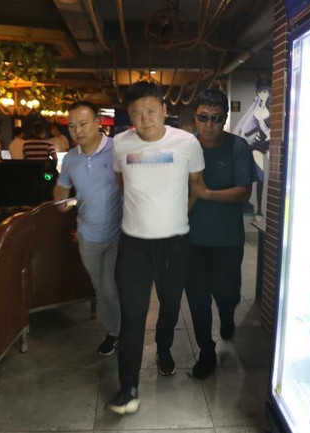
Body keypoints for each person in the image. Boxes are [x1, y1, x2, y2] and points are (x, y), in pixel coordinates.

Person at [106, 81, 205, 415]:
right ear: (129, 116)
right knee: (132, 315)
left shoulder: (187, 143)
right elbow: (122, 183)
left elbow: (196, 185)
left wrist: (176, 215)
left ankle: (164, 348)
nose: (144, 119)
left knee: (170, 304)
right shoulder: (120, 144)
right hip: (133, 245)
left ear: (164, 110)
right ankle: (128, 388)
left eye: (150, 110)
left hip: (174, 243)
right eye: (136, 113)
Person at [186, 88, 256, 380]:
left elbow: (244, 192)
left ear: (225, 118)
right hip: (192, 240)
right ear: (195, 117)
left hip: (228, 239)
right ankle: (206, 351)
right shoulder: (186, 148)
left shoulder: (238, 147)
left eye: (216, 118)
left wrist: (206, 194)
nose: (209, 124)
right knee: (198, 300)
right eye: (203, 117)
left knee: (227, 295)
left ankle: (227, 315)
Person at [54, 101, 123, 357]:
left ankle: (119, 332)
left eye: (83, 124)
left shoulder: (118, 149)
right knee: (100, 287)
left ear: (97, 122)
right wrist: (60, 199)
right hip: (87, 234)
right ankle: (115, 331)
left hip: (119, 232)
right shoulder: (71, 158)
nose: (77, 131)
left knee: (111, 286)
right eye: (72, 126)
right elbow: (62, 186)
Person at [233, 77, 271, 217]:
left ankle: (261, 208)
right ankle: (257, 208)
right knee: (257, 176)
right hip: (257, 144)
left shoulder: (273, 107)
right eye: (261, 91)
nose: (263, 94)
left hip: (269, 145)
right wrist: (243, 137)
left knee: (266, 176)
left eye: (265, 91)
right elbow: (251, 127)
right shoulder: (257, 108)